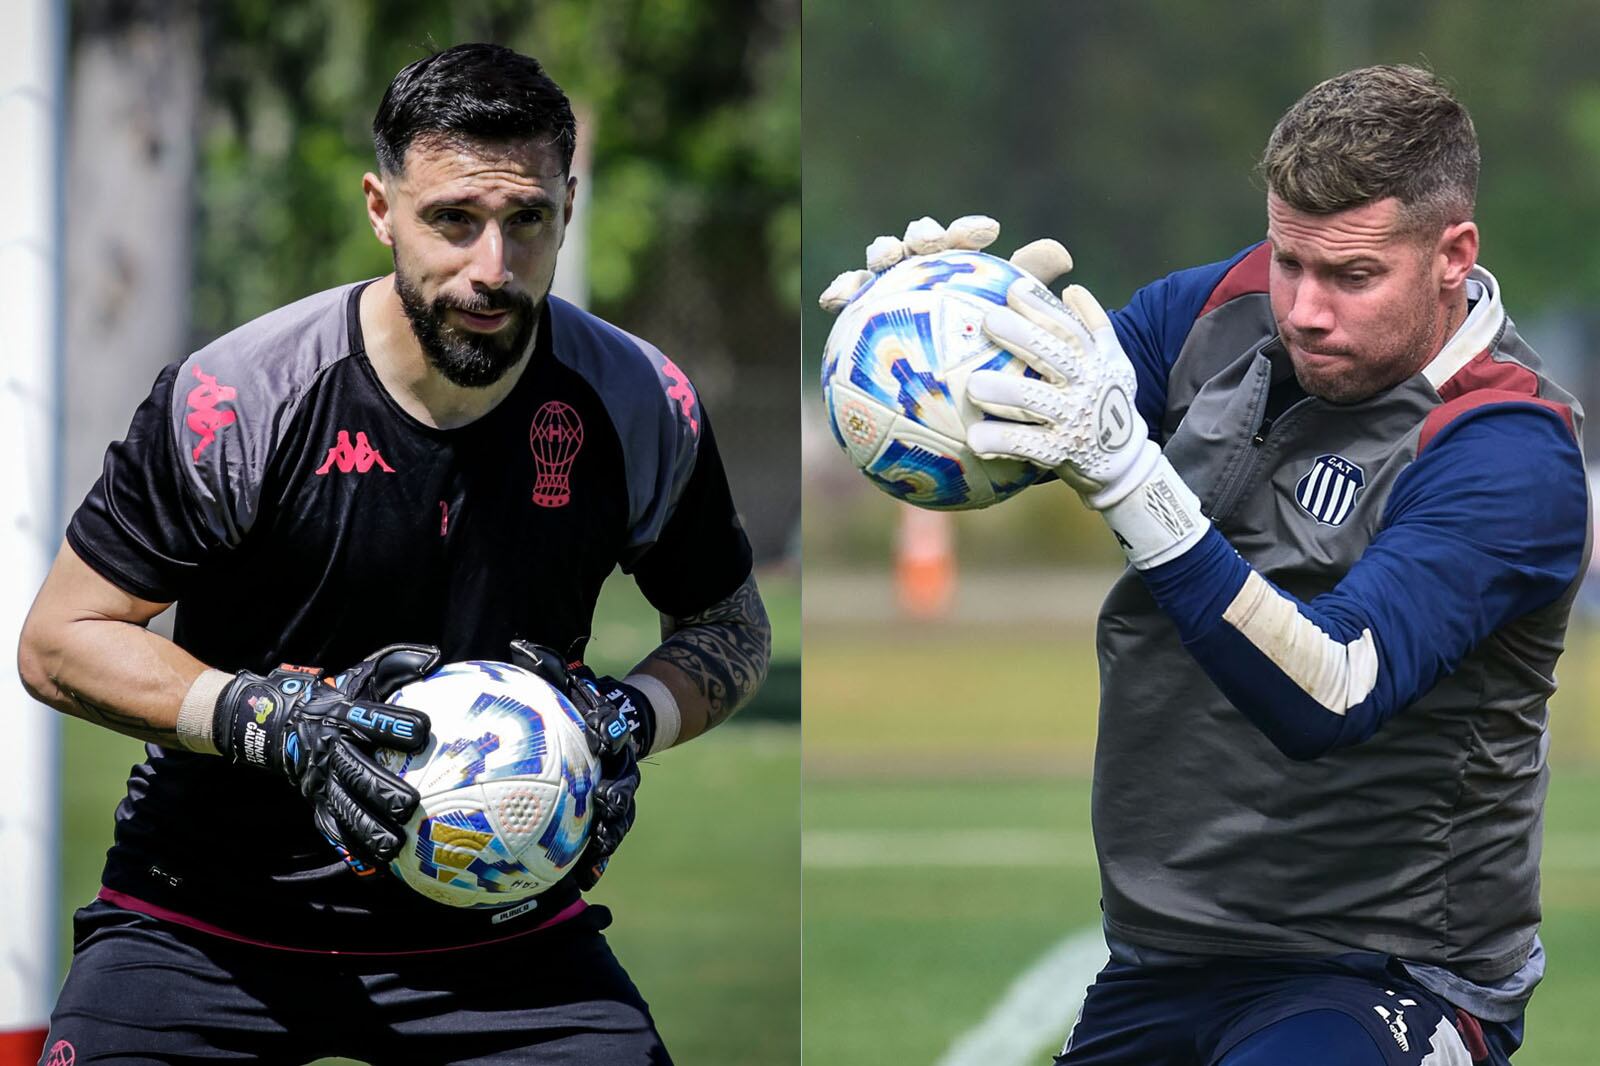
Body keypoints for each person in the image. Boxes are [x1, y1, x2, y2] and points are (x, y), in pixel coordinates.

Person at [19, 42, 770, 1064]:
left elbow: (728, 627)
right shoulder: (238, 397)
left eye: (527, 221)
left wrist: (623, 721)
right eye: (452, 221)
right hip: (204, 923)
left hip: (501, 936)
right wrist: (270, 719)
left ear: (569, 206)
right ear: (381, 208)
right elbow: (62, 639)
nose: (491, 270)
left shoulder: (640, 401)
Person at [822, 65, 1586, 1065]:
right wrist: (932, 327)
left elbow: (1332, 687)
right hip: (1164, 958)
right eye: (1288, 260)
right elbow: (1038, 413)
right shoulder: (1216, 311)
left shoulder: (1506, 449)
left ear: (1453, 255)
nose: (1306, 309)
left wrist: (1134, 481)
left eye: (1352, 276)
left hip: (1385, 972)